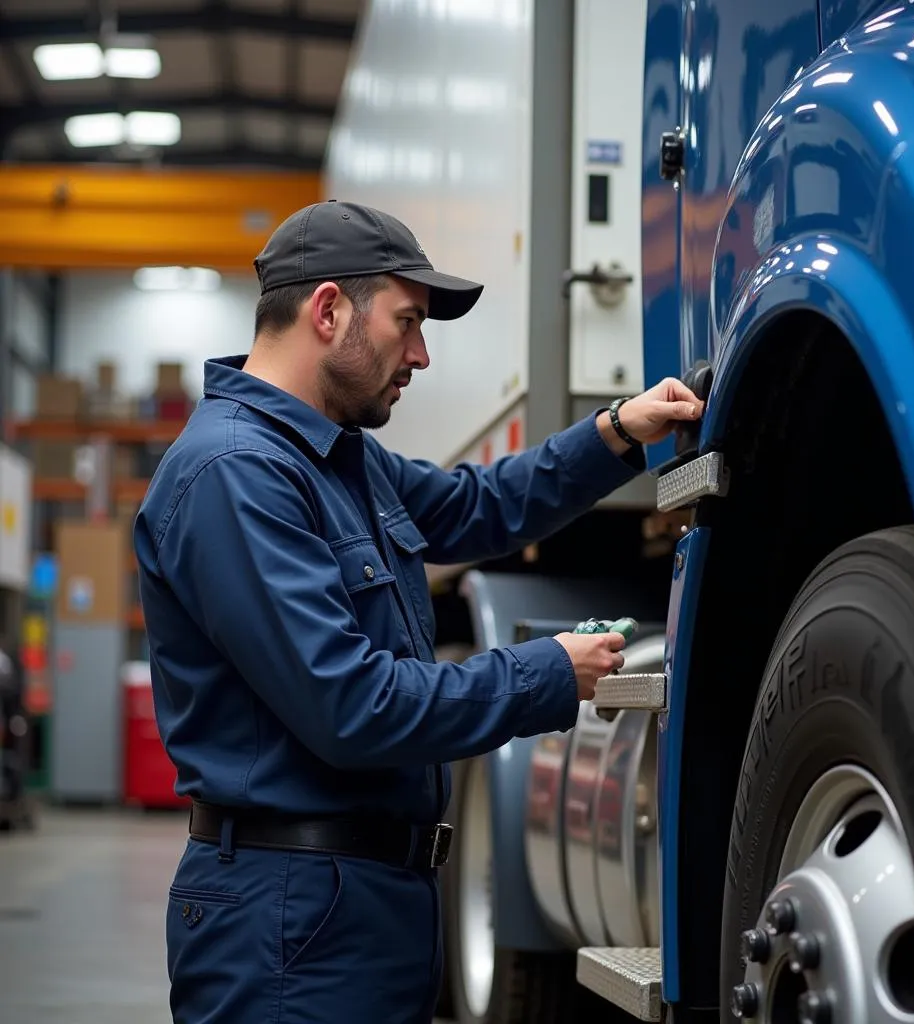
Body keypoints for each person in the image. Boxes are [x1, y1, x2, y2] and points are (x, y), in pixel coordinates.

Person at [133, 199, 705, 1024]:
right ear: (328, 311)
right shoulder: (235, 475)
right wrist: (548, 672)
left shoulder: (340, 460)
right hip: (288, 923)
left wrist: (617, 431)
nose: (422, 354)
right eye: (407, 323)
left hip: (359, 909)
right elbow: (352, 707)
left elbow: (481, 508)